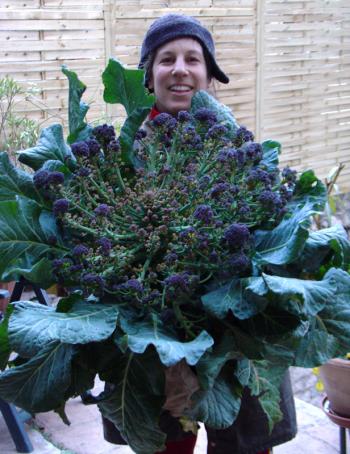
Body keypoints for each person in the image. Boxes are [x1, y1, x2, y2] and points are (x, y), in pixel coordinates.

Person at [105, 13, 297, 454]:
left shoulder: (238, 149)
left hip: (237, 332)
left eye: (193, 59)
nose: (180, 69)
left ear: (209, 75)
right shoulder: (121, 154)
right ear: (149, 77)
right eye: (166, 59)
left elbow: (273, 234)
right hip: (156, 332)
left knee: (245, 441)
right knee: (165, 443)